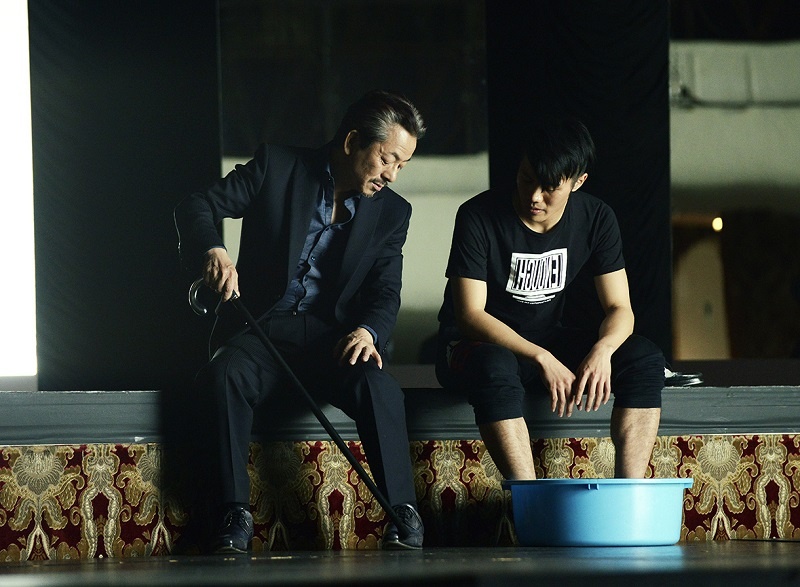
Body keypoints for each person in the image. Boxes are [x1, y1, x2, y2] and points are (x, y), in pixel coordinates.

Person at [174, 90, 426, 552]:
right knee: (224, 375)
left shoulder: (393, 213)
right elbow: (196, 205)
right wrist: (213, 250)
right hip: (261, 329)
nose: (392, 175)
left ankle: (403, 511)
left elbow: (385, 291)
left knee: (380, 387)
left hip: (333, 339)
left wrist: (368, 330)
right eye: (386, 158)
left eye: (401, 165)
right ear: (351, 141)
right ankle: (233, 512)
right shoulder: (277, 166)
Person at [434, 118, 665, 481]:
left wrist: (603, 350)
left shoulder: (595, 218)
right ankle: (529, 498)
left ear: (578, 182)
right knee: (495, 364)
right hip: (473, 348)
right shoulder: (478, 215)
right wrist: (541, 357)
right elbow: (470, 315)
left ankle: (629, 491)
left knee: (644, 357)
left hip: (546, 341)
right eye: (527, 179)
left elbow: (620, 308)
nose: (534, 196)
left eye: (550, 187)